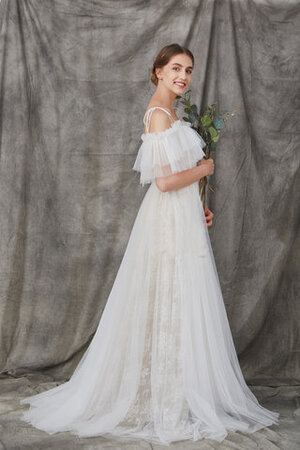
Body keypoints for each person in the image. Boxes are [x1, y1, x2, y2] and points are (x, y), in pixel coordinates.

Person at [19, 43, 279, 446]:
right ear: (158, 70)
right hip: (165, 220)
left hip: (182, 216)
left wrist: (201, 207)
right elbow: (162, 182)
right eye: (176, 68)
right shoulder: (158, 115)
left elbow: (177, 178)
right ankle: (157, 394)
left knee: (180, 296)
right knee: (166, 295)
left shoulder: (173, 112)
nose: (183, 76)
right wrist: (203, 169)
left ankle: (176, 387)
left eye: (189, 70)